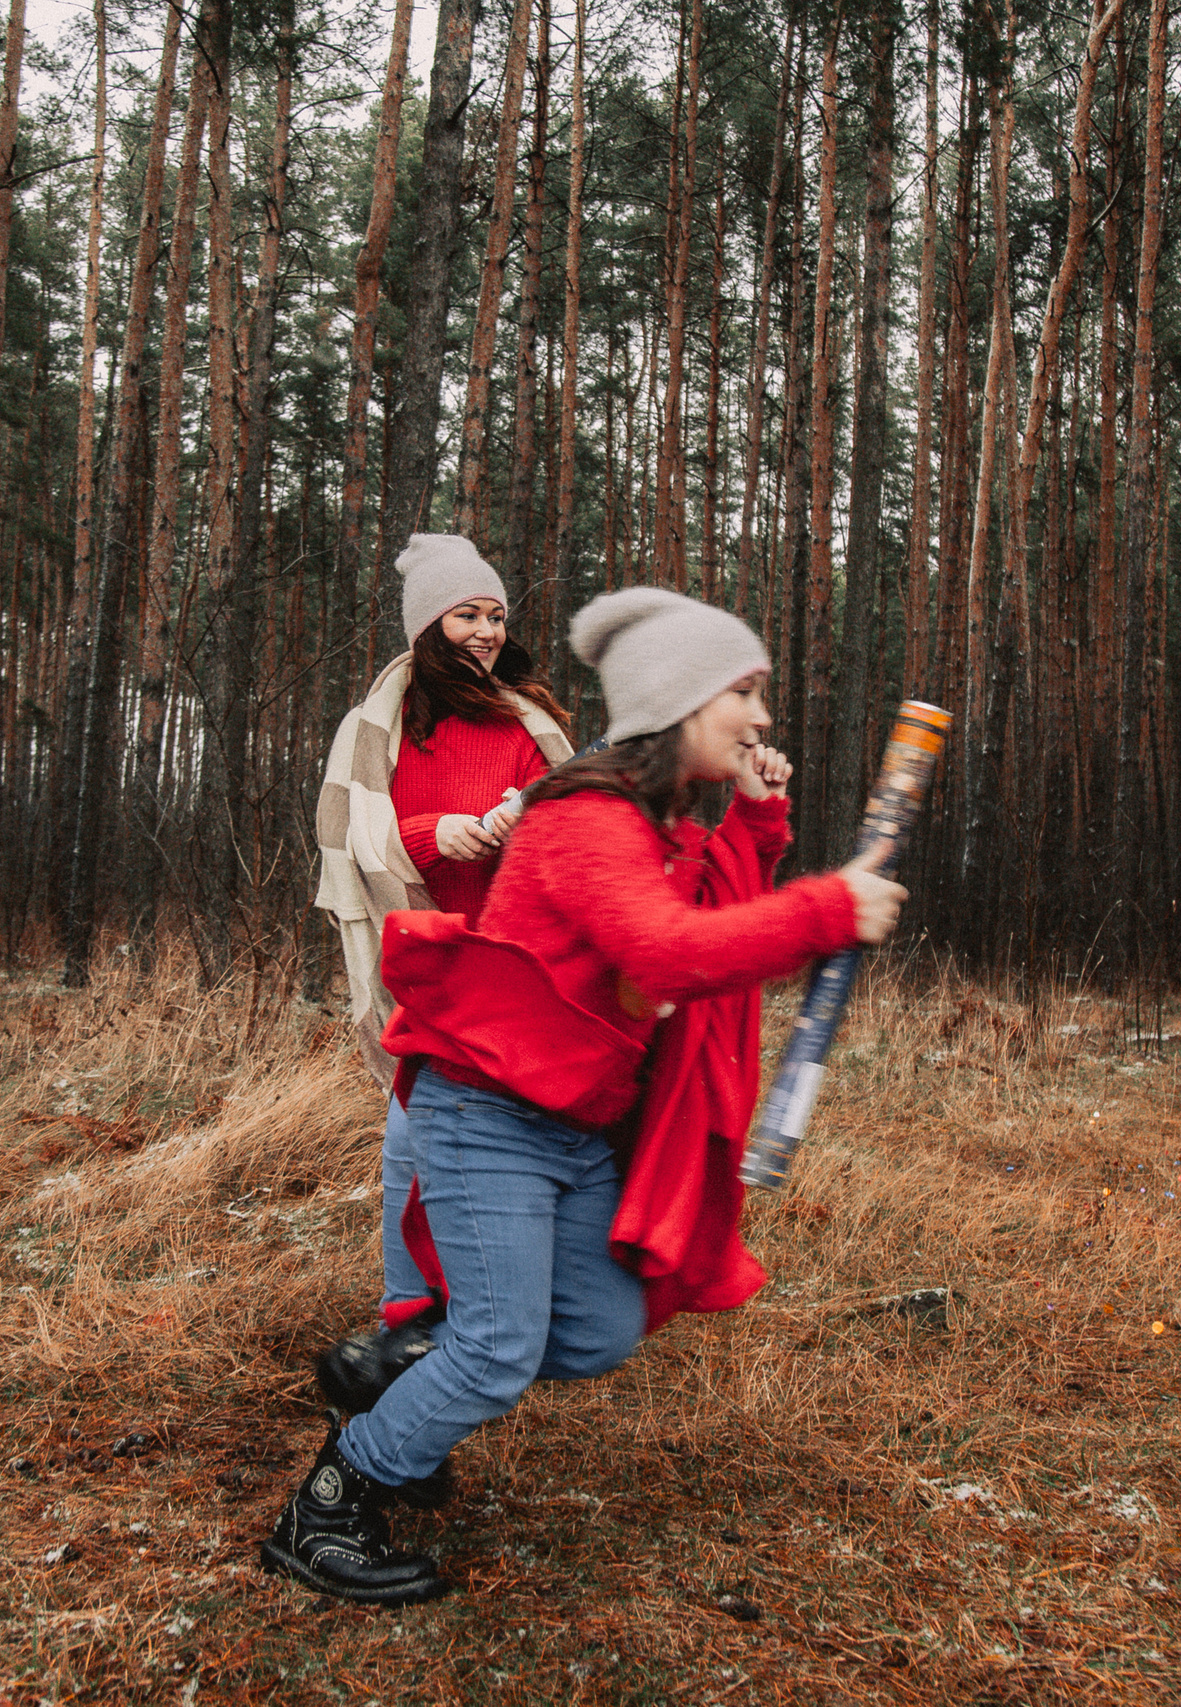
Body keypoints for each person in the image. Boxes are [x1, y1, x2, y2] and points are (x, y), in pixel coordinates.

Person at [265, 586, 908, 1605]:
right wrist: (829, 908)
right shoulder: (585, 819)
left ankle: (408, 1364)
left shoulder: (655, 824)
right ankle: (330, 1505)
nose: (760, 716)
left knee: (600, 1328)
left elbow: (715, 908)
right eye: (742, 692)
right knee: (496, 1351)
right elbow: (667, 948)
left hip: (574, 1129)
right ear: (682, 702)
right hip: (485, 1111)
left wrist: (759, 813)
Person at [313, 534, 575, 1362]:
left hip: (510, 970)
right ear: (429, 622)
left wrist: (517, 822)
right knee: (410, 1146)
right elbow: (361, 842)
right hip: (423, 966)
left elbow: (573, 826)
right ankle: (405, 1322)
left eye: (497, 615)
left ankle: (491, 1312)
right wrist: (438, 834)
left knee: (501, 1148)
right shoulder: (376, 730)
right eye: (469, 613)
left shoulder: (527, 719)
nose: (489, 630)